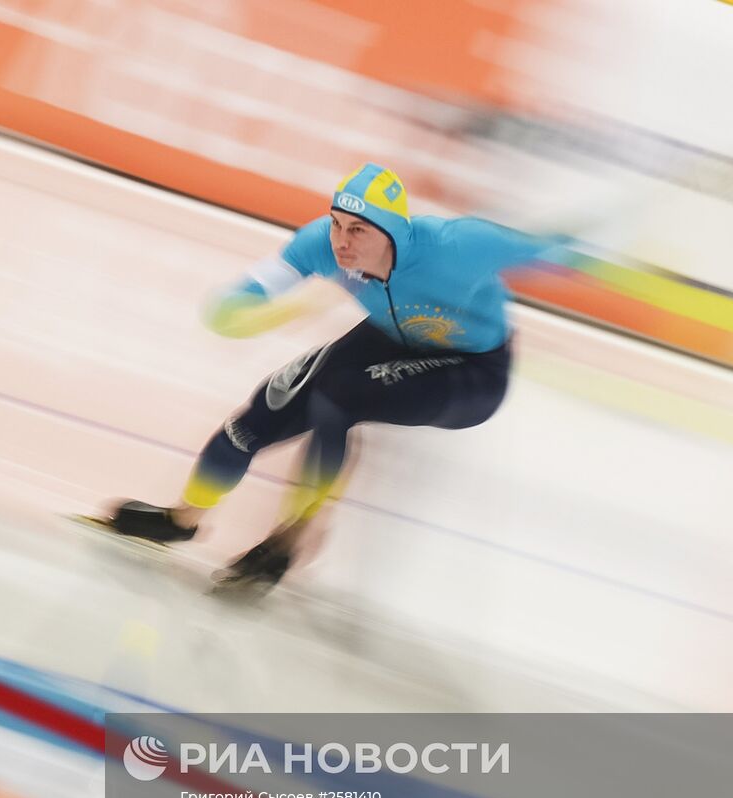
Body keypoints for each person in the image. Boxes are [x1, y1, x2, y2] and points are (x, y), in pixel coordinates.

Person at [102, 163, 562, 590]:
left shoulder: (458, 244)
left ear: (393, 234)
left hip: (474, 370)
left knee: (340, 399)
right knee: (268, 406)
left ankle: (291, 539)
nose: (342, 241)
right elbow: (240, 299)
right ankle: (181, 521)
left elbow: (558, 250)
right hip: (390, 336)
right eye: (338, 224)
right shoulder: (320, 244)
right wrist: (255, 310)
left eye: (358, 229)